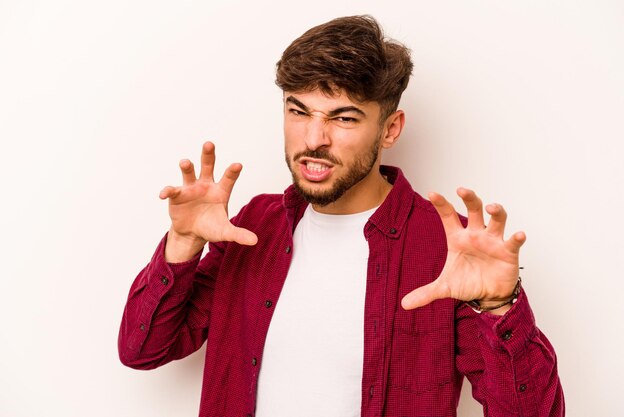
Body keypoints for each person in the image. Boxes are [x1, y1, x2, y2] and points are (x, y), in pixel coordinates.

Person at [118, 15, 564, 417]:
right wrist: (182, 245)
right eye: (298, 111)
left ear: (390, 129)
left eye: (344, 118)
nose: (314, 139)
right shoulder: (254, 224)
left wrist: (498, 308)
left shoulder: (447, 247)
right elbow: (143, 349)